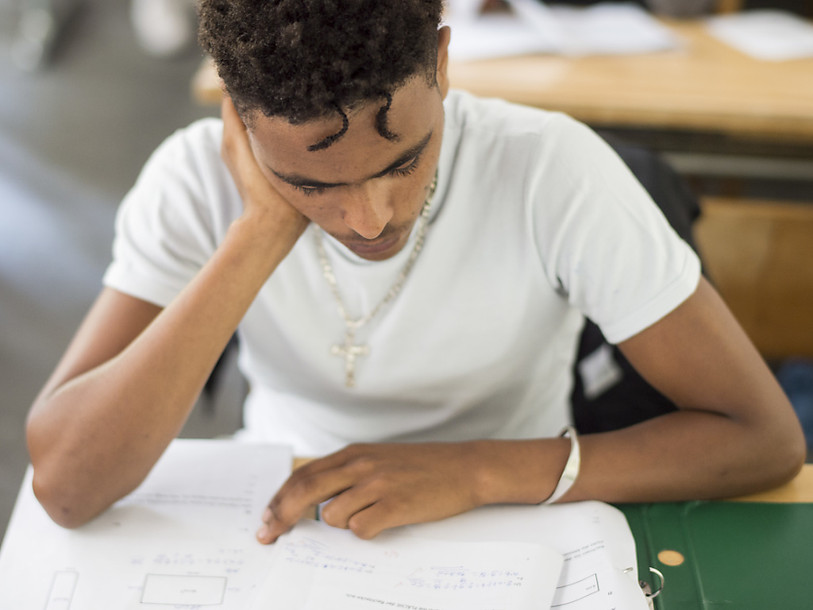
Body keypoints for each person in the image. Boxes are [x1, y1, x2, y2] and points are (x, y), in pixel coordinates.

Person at [27, 0, 805, 544]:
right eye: (312, 184)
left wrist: (472, 472)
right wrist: (262, 230)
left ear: (439, 61)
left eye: (404, 161)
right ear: (238, 113)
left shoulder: (549, 170)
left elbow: (762, 439)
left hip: (514, 505)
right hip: (279, 506)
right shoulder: (192, 179)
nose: (369, 218)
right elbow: (66, 485)